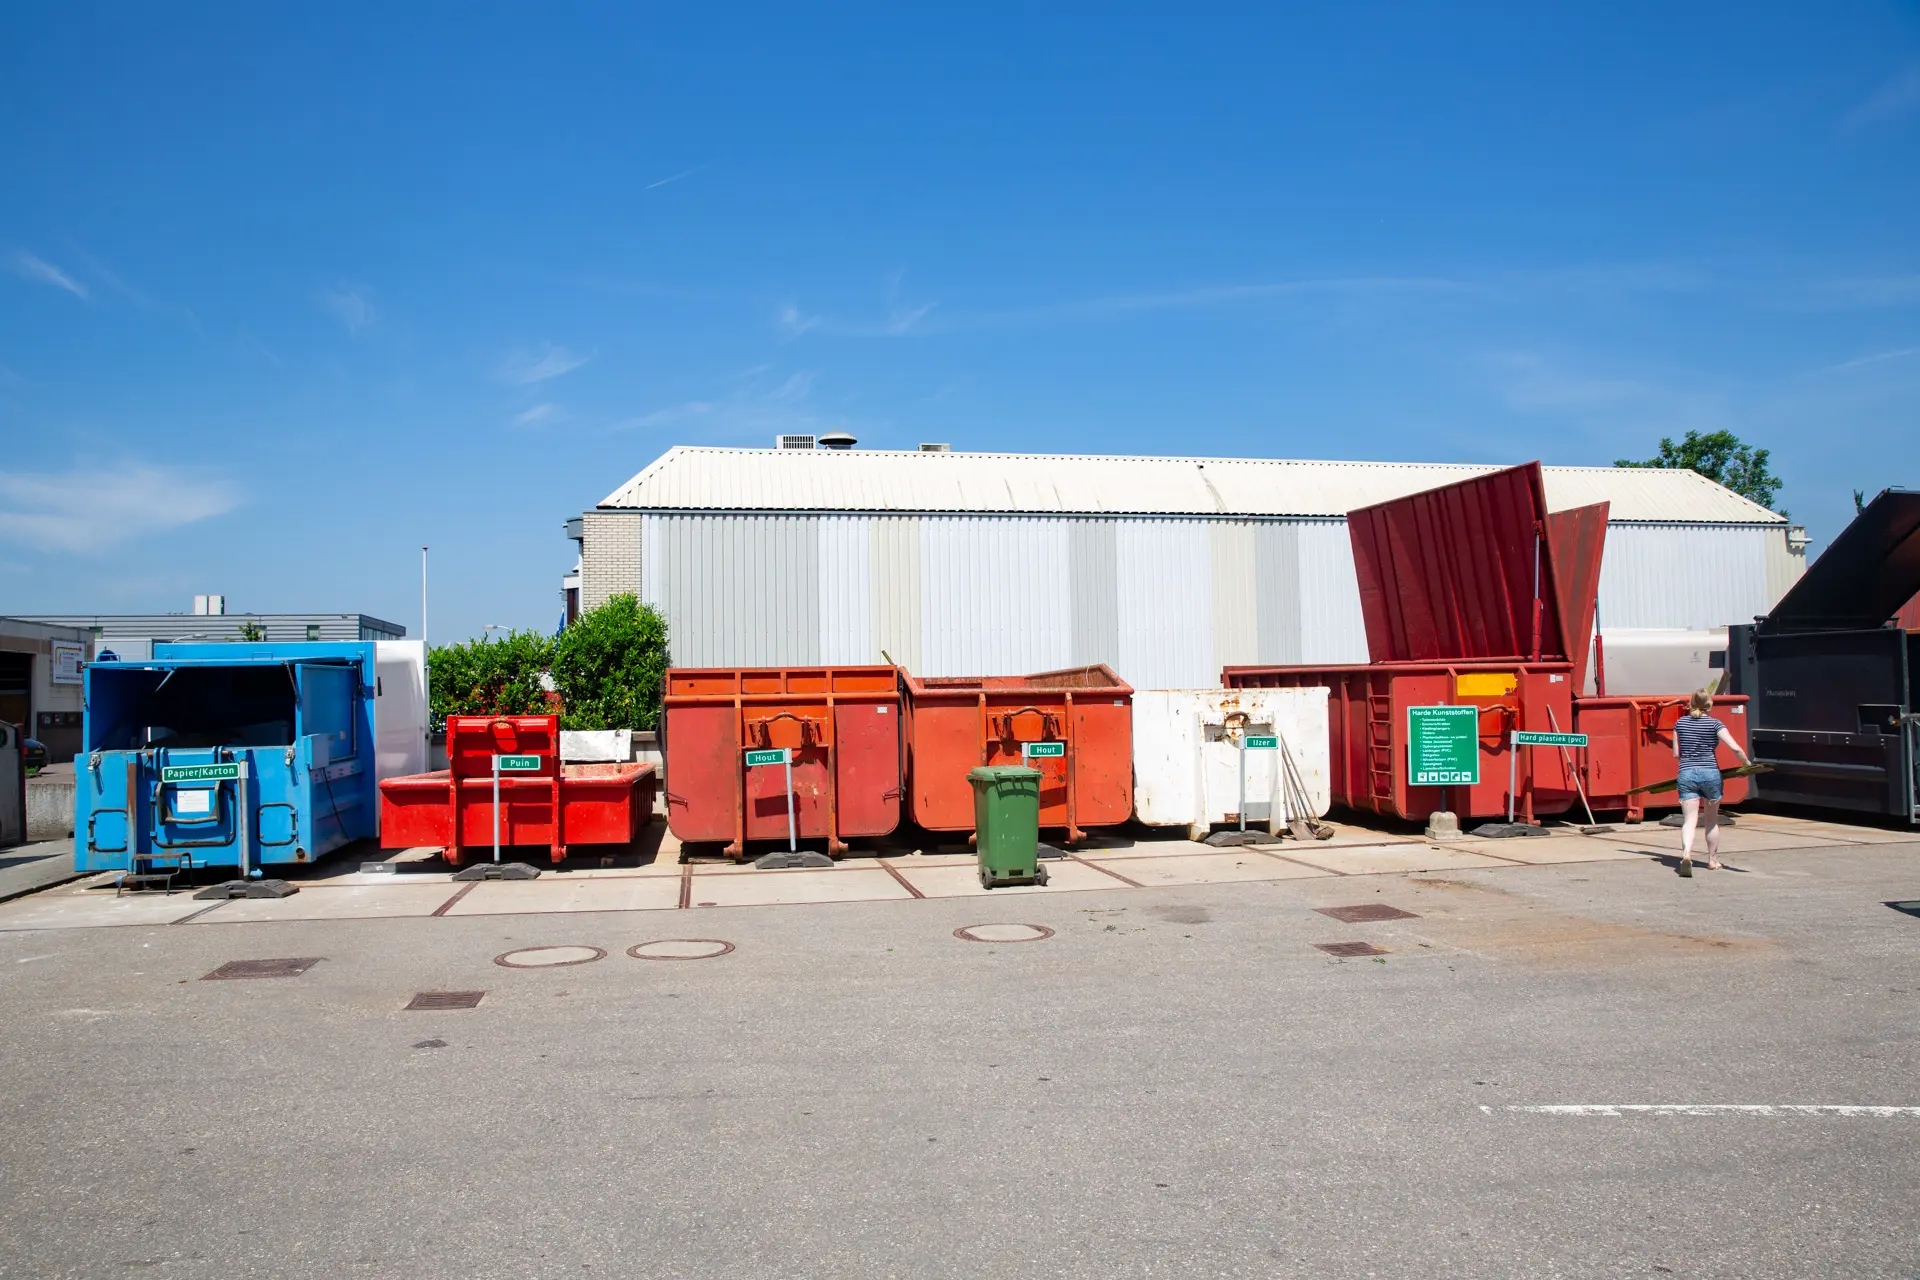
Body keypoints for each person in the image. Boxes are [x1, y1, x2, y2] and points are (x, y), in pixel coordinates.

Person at [1672, 688, 1750, 877]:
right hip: (1710, 775)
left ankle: (1686, 854)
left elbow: (1676, 754)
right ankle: (1712, 861)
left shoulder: (1680, 723)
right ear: (1709, 704)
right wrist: (1748, 764)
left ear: (1691, 703)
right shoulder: (1715, 724)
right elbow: (1735, 747)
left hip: (1687, 774)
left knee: (1689, 820)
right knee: (1711, 821)